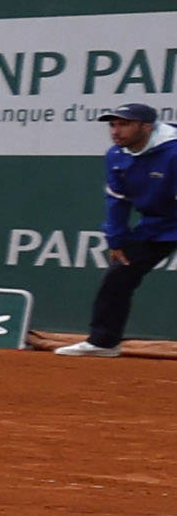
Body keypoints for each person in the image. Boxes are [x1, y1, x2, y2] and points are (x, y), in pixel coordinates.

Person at [61, 99, 177, 357]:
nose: (116, 131)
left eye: (124, 124)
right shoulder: (116, 155)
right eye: (113, 125)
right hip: (158, 225)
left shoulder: (174, 153)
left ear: (147, 127)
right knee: (119, 273)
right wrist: (117, 239)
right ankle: (104, 342)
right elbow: (117, 199)